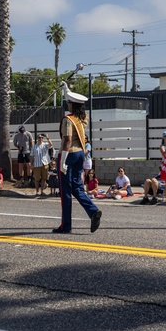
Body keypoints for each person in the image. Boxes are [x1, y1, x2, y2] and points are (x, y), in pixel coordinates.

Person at [54, 89, 102, 234]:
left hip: (69, 155)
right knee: (77, 188)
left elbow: (67, 139)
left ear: (72, 105)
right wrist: (66, 89)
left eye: (68, 102)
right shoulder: (83, 119)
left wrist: (63, 160)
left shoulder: (68, 120)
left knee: (65, 191)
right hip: (81, 154)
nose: (67, 104)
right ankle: (93, 211)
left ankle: (66, 226)